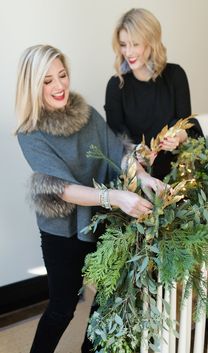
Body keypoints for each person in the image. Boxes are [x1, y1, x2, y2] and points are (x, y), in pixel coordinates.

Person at [15, 44, 166, 353]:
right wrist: (115, 197)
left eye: (62, 75)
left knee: (107, 294)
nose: (59, 86)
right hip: (62, 231)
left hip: (103, 218)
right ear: (32, 85)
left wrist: (144, 176)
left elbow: (117, 152)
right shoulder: (30, 133)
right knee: (63, 306)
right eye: (47, 81)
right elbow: (63, 189)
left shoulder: (86, 112)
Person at [105, 8, 203, 180]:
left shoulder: (175, 75)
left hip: (175, 175)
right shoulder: (116, 86)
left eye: (135, 44)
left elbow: (186, 124)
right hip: (135, 178)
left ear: (151, 42)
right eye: (123, 44)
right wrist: (137, 153)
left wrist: (177, 137)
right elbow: (116, 141)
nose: (128, 52)